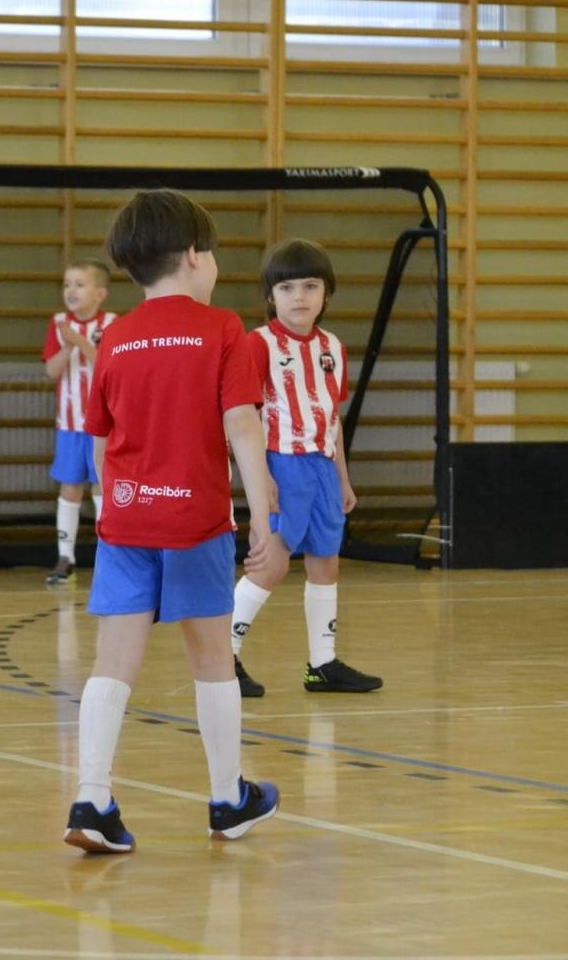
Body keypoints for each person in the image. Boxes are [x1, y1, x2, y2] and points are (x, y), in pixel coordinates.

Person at [63, 189, 280, 855]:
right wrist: (263, 513)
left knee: (112, 663)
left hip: (127, 524)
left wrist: (109, 508)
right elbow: (241, 424)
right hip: (197, 522)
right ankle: (225, 799)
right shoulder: (223, 331)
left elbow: (101, 441)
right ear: (194, 256)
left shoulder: (115, 338)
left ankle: (92, 799)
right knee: (212, 658)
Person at [228, 238, 382, 698]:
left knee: (325, 562)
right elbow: (245, 417)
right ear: (270, 297)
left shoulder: (333, 346)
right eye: (287, 287)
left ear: (326, 294)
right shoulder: (259, 345)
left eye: (310, 286)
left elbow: (331, 416)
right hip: (282, 462)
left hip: (320, 466)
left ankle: (322, 663)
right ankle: (223, 655)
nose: (299, 296)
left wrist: (342, 477)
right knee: (270, 563)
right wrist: (263, 479)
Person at [42, 259, 117, 586]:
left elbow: (108, 365)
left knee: (103, 487)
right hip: (70, 425)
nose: (71, 290)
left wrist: (80, 341)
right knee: (70, 486)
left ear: (100, 294)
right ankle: (65, 557)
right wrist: (68, 345)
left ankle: (109, 557)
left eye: (79, 284)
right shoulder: (58, 323)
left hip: (104, 425)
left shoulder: (113, 324)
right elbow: (51, 371)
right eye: (67, 284)